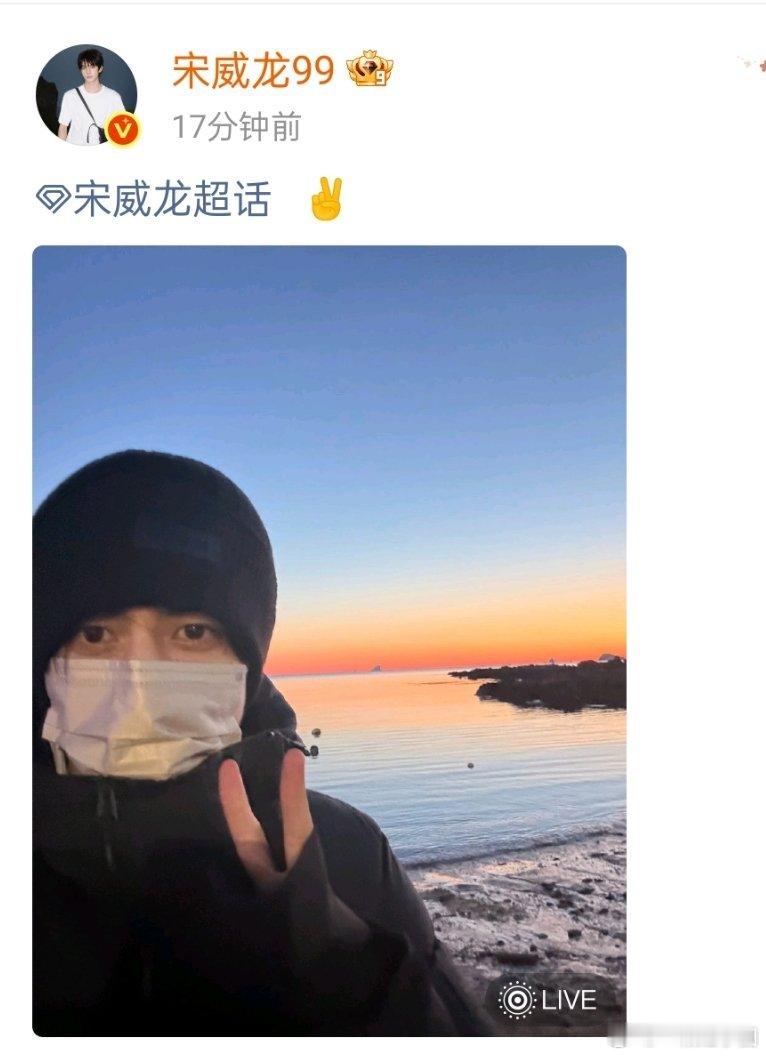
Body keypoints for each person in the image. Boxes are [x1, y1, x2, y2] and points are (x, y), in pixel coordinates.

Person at [33, 450, 497, 1036]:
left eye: (193, 632)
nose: (139, 688)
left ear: (247, 669)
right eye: (96, 633)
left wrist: (348, 983)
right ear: (42, 660)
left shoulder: (344, 853)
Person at [57, 48, 124, 145]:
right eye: (84, 67)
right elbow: (63, 127)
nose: (88, 71)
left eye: (92, 66)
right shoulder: (70, 96)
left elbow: (122, 129)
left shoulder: (113, 97)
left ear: (100, 68)